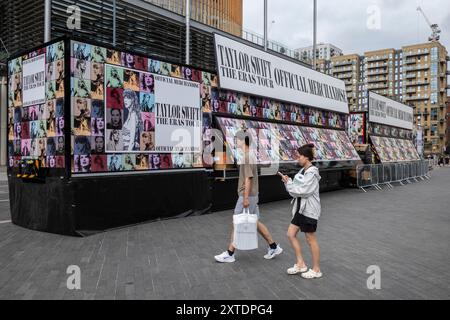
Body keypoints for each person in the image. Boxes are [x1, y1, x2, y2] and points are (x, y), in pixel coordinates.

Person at [215, 130, 283, 263]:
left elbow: (248, 178)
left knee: (237, 222)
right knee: (255, 222)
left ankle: (230, 253)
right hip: (252, 195)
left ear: (242, 141)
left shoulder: (247, 157)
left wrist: (245, 198)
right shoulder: (250, 155)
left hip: (248, 196)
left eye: (237, 140)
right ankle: (273, 246)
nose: (235, 142)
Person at [279, 143, 323, 279]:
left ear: (306, 157)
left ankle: (316, 269)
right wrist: (288, 182)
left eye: (299, 156)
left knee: (311, 239)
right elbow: (295, 193)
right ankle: (301, 264)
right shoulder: (302, 171)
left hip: (309, 211)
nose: (297, 158)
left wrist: (290, 184)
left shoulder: (312, 172)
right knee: (290, 234)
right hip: (299, 209)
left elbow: (303, 191)